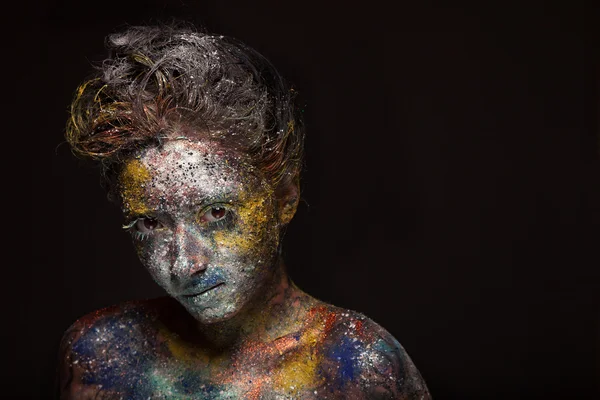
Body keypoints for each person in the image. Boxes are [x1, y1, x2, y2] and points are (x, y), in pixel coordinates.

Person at [58, 23, 431, 399]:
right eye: (151, 223)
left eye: (217, 213)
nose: (185, 265)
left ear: (284, 198)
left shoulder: (357, 368)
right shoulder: (101, 356)